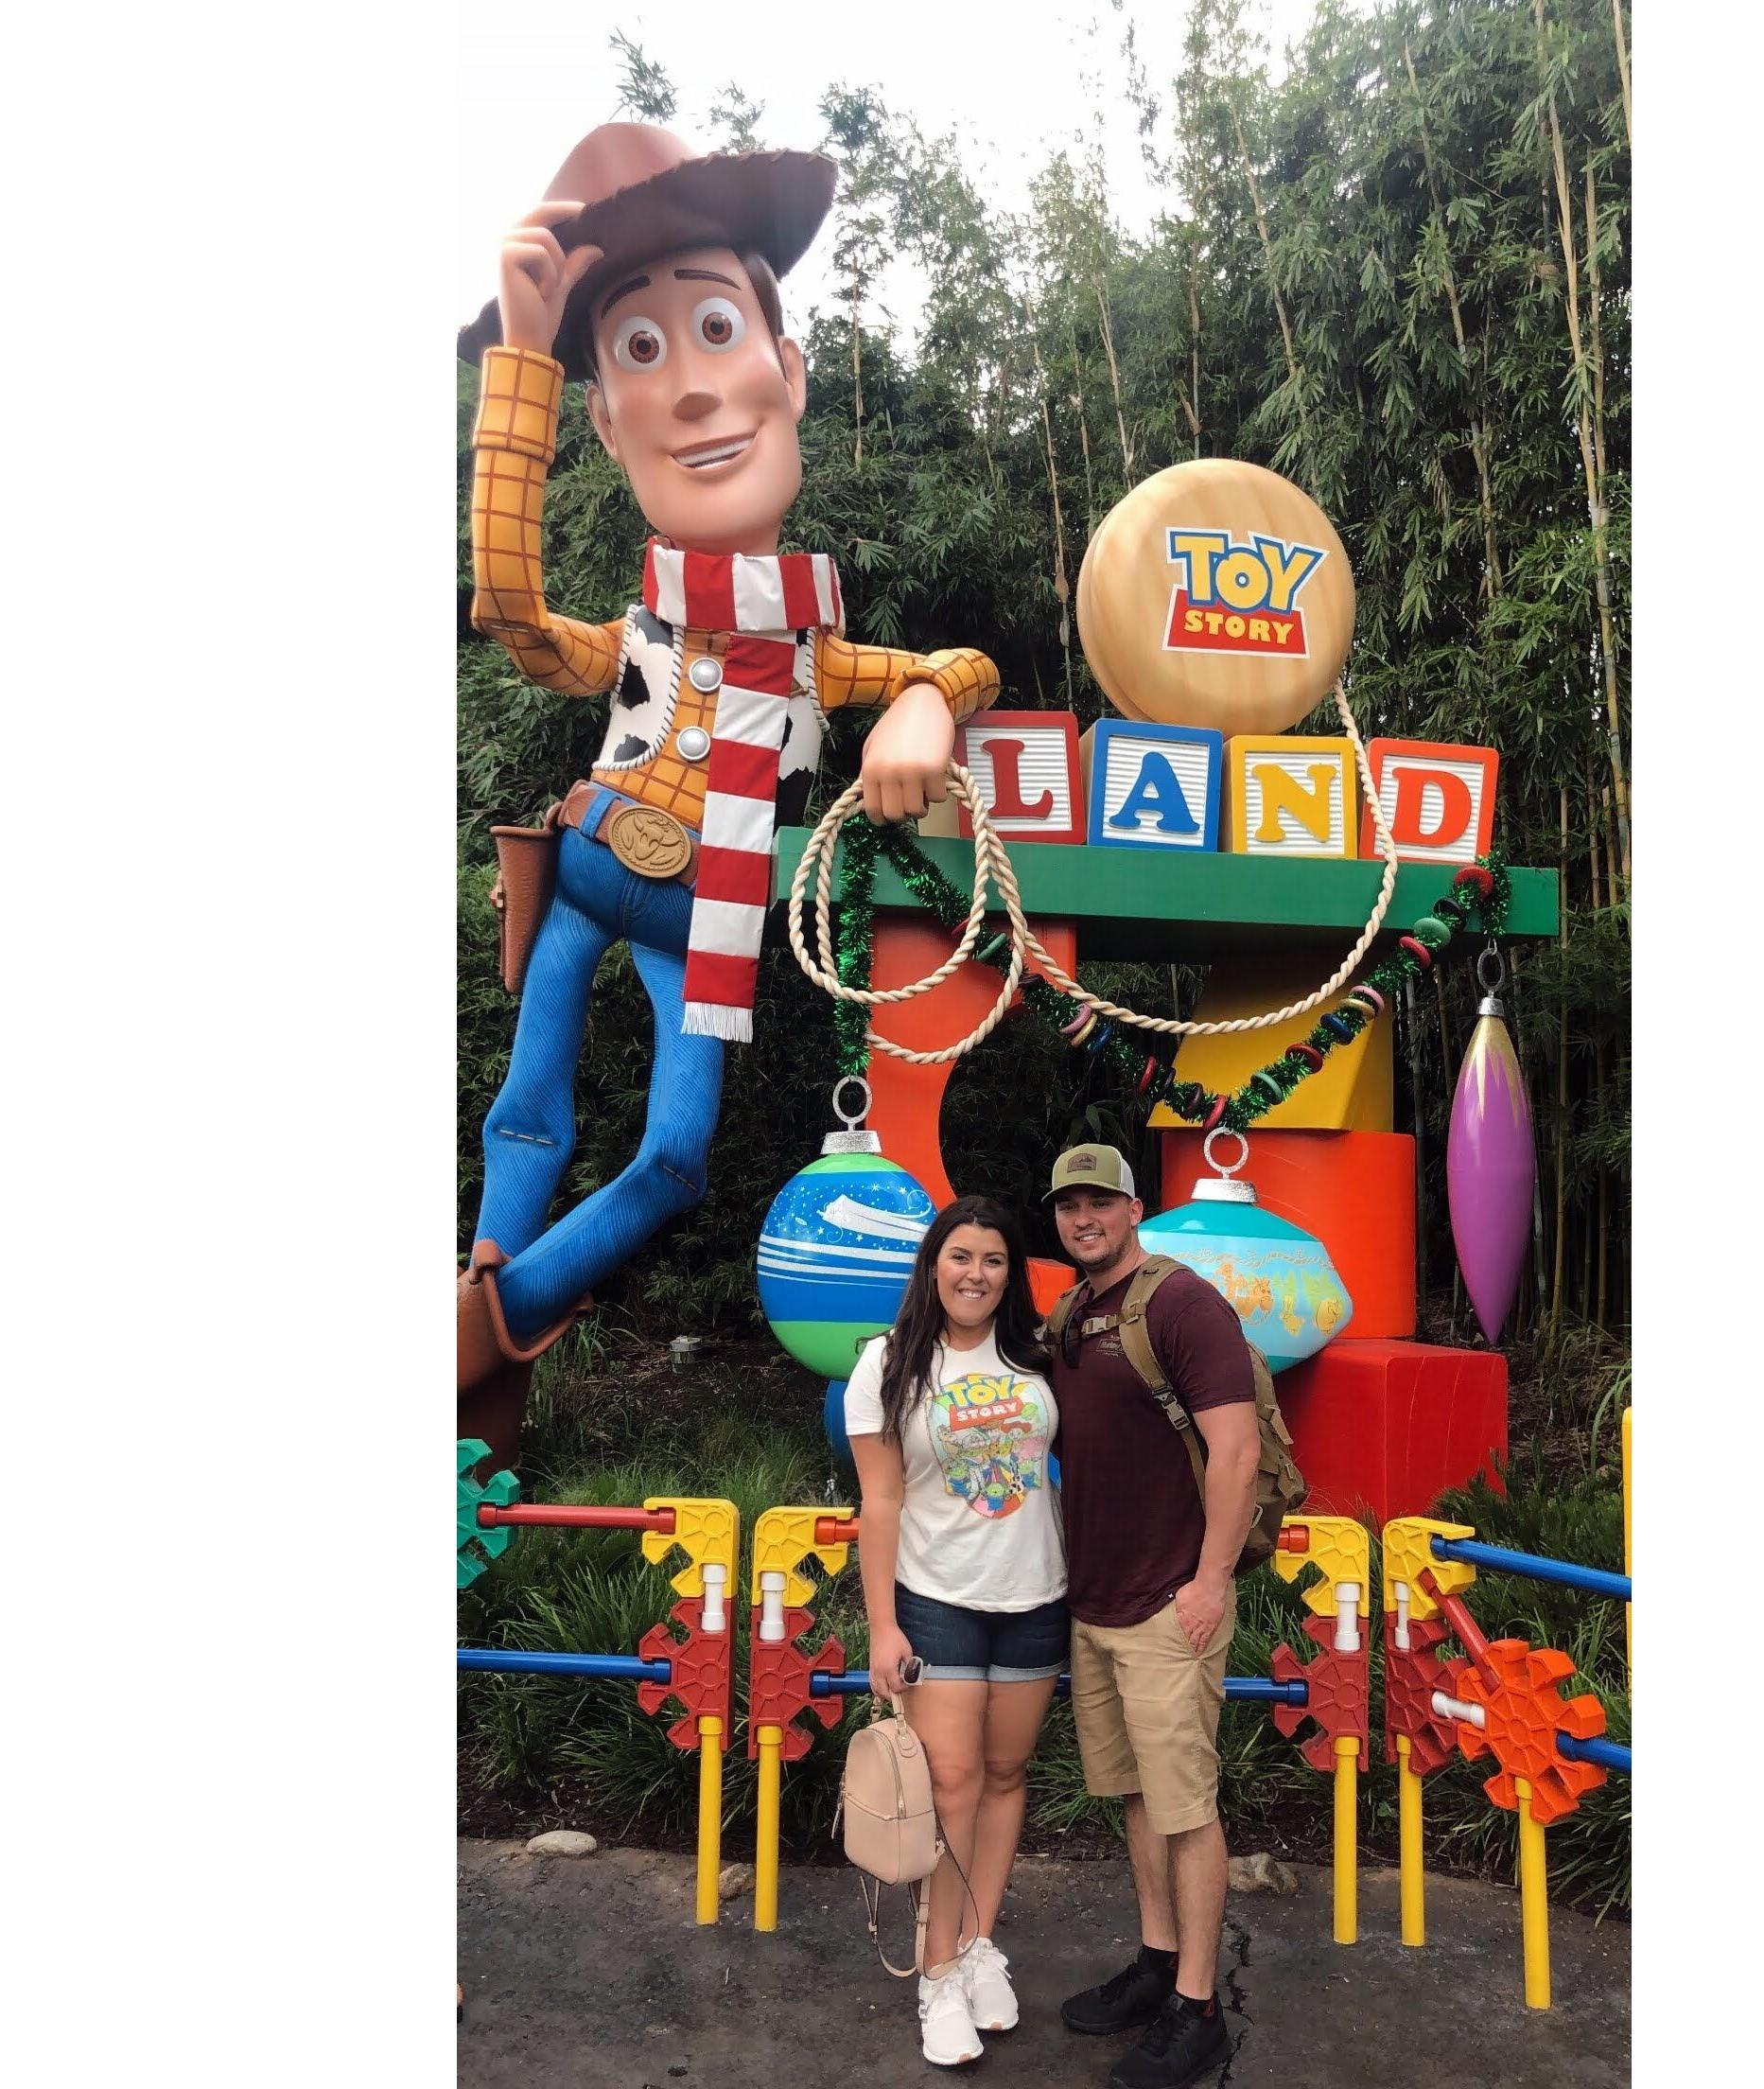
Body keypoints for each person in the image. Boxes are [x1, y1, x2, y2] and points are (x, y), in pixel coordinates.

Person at [456, 123, 1002, 1460]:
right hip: (592, 868)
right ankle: (476, 1376)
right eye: (641, 351)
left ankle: (477, 1326)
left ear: (787, 369)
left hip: (708, 916)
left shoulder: (816, 653)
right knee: (527, 1116)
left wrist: (926, 702)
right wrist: (522, 359)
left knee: (677, 1158)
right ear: (604, 418)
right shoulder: (641, 626)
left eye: (714, 329)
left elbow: (963, 666)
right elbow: (512, 611)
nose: (694, 390)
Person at [1044, 1145, 1261, 2089]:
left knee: (1186, 1806)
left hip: (1172, 1598)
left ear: (1136, 1209)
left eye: (1101, 1202)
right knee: (1138, 1794)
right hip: (1095, 1601)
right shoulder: (1071, 1314)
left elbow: (1237, 1451)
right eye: (1070, 1205)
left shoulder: (1182, 1304)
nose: (1085, 1218)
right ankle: (1160, 1961)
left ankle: (1200, 2009)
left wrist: (1209, 1579)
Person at [844, 1195, 1069, 2069]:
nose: (976, 1274)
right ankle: (937, 1976)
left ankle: (978, 1947)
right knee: (953, 1784)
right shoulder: (889, 1362)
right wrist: (882, 1627)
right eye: (961, 1256)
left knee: (1006, 1776)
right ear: (933, 1264)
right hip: (937, 1597)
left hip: (1036, 1595)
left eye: (994, 1260)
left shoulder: (1037, 1358)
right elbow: (880, 1502)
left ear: (1012, 1275)